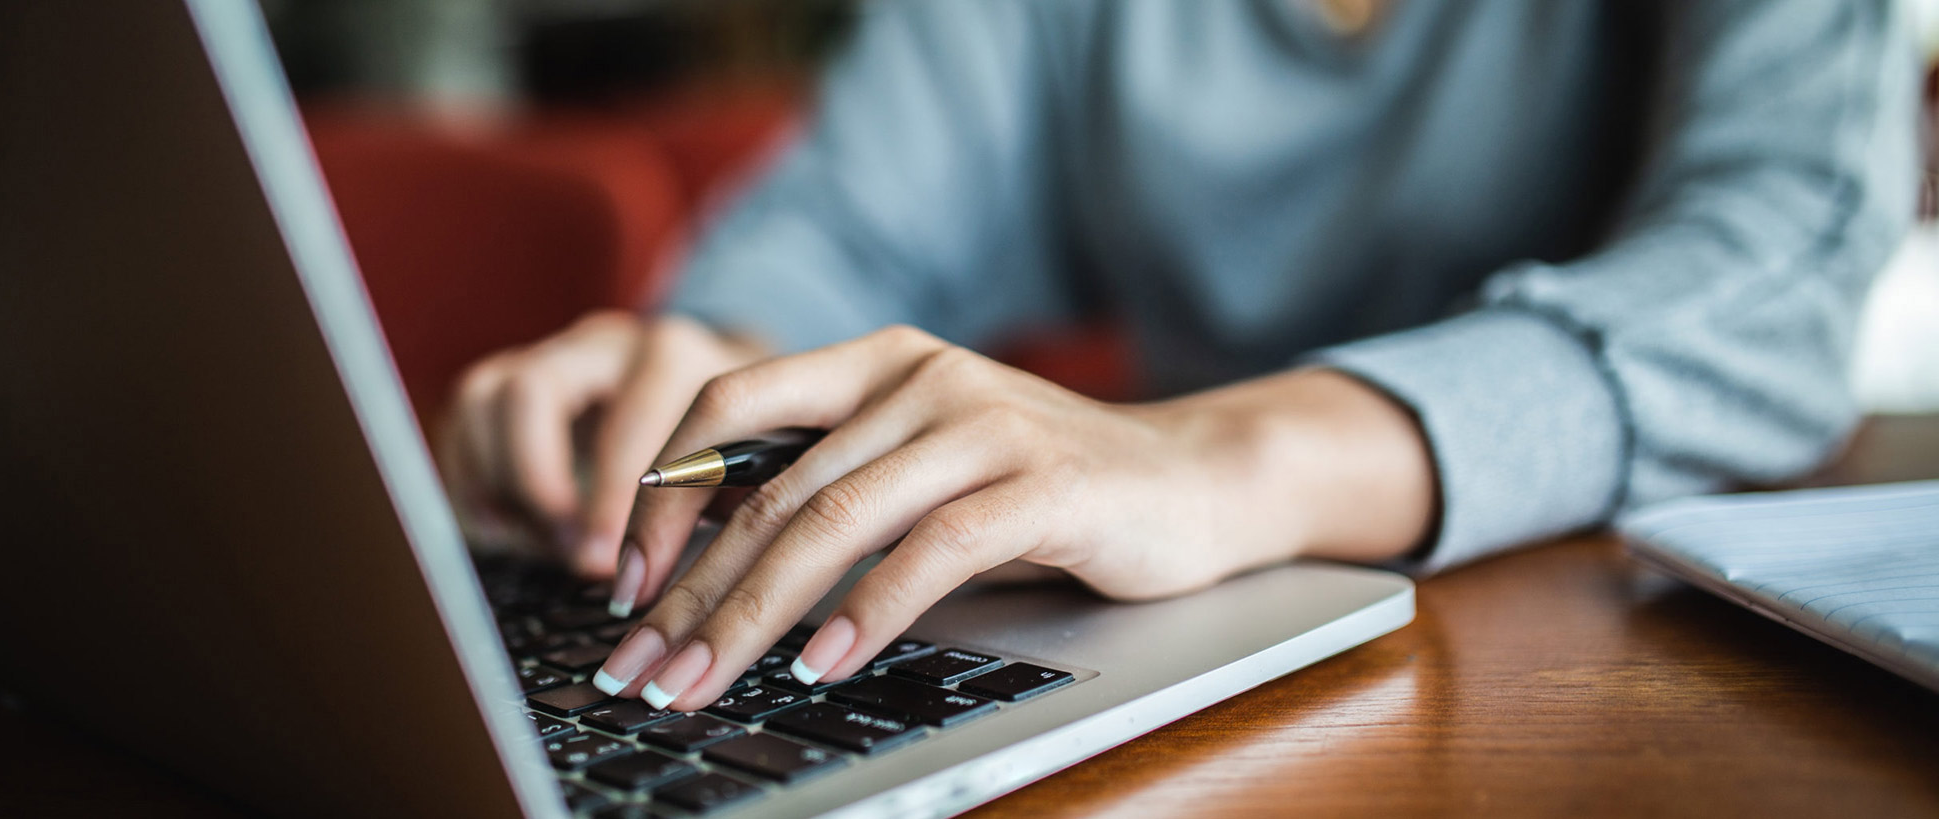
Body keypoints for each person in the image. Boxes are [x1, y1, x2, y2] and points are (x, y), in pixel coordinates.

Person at [442, 0, 1921, 713]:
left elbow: (1773, 280)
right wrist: (714, 373)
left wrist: (1220, 455)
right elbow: (841, 229)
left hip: (1607, 667)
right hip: (1178, 660)